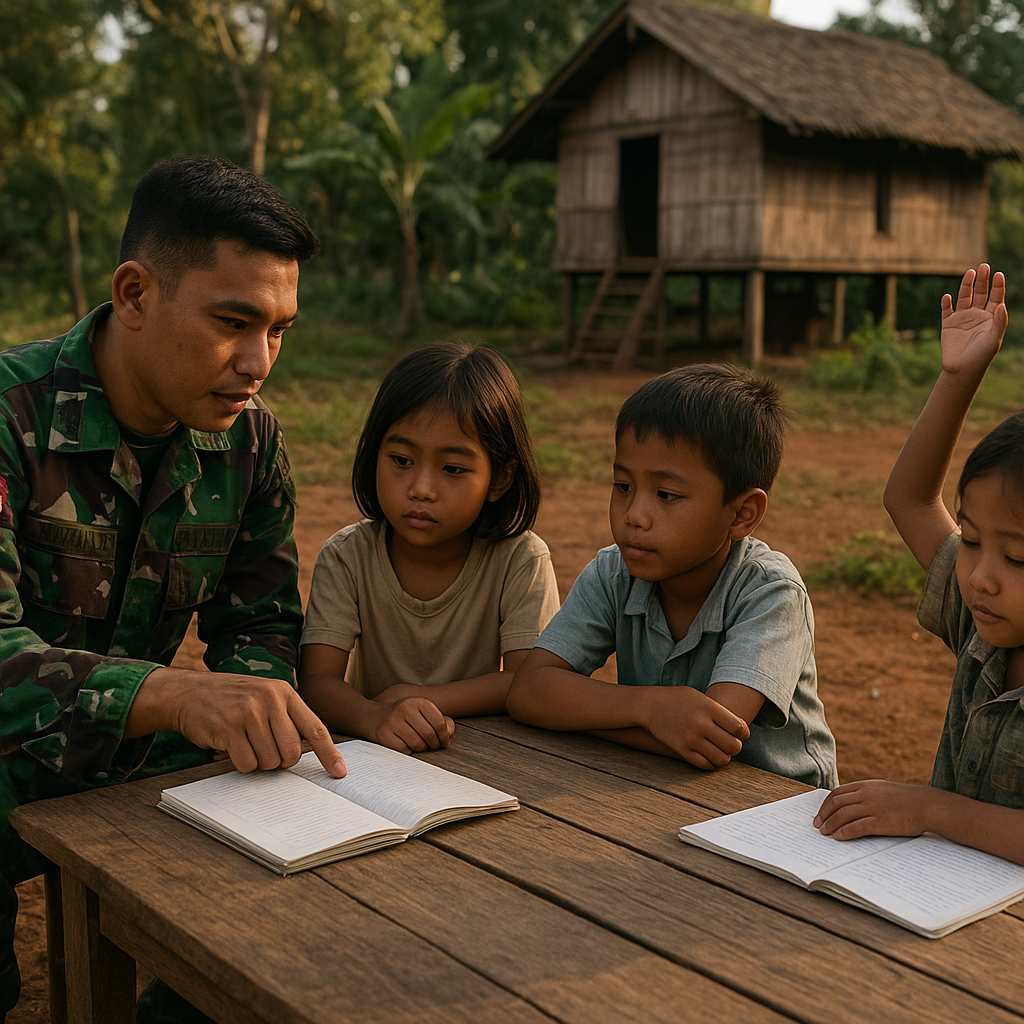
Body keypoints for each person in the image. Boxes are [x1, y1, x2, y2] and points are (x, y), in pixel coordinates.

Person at [0, 155, 346, 1021]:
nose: (258, 362)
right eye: (233, 321)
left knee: (293, 898)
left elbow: (261, 621)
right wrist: (171, 695)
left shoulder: (250, 443)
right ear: (134, 294)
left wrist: (253, 714)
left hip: (135, 758)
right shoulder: (10, 417)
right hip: (8, 757)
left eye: (279, 330)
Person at [507, 363, 837, 787]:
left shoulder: (770, 593)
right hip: (665, 791)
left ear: (742, 514)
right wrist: (649, 709)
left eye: (666, 494)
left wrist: (582, 715)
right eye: (623, 486)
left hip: (780, 807)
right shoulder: (613, 572)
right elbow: (529, 691)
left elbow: (711, 741)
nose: (634, 515)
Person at [815, 264, 1024, 864]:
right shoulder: (982, 622)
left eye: (1017, 557)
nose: (979, 575)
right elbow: (909, 499)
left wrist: (933, 809)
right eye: (972, 540)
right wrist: (959, 376)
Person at [298, 342, 560, 751]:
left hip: (487, 754)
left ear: (499, 479)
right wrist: (375, 718)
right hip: (377, 754)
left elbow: (529, 682)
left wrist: (417, 698)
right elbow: (317, 681)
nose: (421, 489)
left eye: (453, 469)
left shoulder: (520, 559)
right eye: (402, 460)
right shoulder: (348, 556)